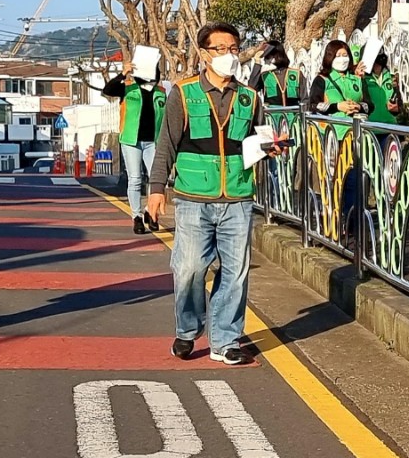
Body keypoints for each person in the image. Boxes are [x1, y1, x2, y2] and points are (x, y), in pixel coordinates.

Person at [147, 23, 282, 366]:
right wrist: (156, 189)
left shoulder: (251, 97)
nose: (228, 55)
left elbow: (259, 137)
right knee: (189, 268)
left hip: (237, 196)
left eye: (234, 48)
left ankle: (226, 339)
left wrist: (271, 147)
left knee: (235, 272)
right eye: (220, 49)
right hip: (193, 197)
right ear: (204, 54)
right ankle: (188, 329)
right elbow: (166, 143)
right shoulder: (183, 92)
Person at [307, 39, 371, 247]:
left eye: (345, 55)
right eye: (338, 55)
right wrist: (337, 106)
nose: (342, 59)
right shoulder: (322, 80)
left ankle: (354, 227)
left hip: (357, 136)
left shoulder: (357, 79)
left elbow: (370, 105)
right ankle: (332, 225)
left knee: (355, 181)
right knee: (334, 181)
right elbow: (313, 105)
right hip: (333, 138)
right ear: (329, 58)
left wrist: (357, 107)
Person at [101, 61, 166, 234]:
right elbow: (107, 90)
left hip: (154, 141)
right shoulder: (127, 88)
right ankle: (136, 216)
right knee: (135, 179)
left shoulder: (161, 93)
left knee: (156, 179)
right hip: (131, 141)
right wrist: (124, 73)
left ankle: (150, 213)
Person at [250, 41, 303, 107]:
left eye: (268, 57)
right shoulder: (265, 76)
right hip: (272, 116)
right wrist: (257, 63)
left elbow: (305, 100)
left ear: (277, 55)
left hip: (294, 116)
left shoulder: (296, 74)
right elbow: (251, 88)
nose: (265, 60)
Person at [364, 52, 406, 126]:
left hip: (390, 126)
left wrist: (397, 109)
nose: (377, 65)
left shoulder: (392, 78)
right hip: (370, 127)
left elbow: (399, 103)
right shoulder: (363, 79)